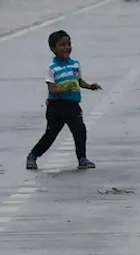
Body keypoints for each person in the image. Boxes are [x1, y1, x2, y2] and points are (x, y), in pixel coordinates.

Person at [27, 29, 102, 170]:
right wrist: (64, 89)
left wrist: (90, 86)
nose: (67, 48)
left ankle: (82, 158)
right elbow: (52, 89)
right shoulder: (52, 68)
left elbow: (79, 81)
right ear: (53, 49)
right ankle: (33, 156)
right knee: (51, 134)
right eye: (62, 45)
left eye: (68, 44)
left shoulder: (75, 64)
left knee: (80, 131)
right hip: (56, 107)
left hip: (73, 105)